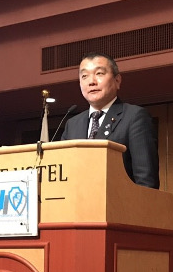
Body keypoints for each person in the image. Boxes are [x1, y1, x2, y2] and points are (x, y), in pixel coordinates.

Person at [61, 52, 160, 189]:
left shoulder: (134, 116)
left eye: (99, 73)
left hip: (120, 201)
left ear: (117, 80)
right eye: (84, 76)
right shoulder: (72, 124)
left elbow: (146, 181)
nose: (91, 81)